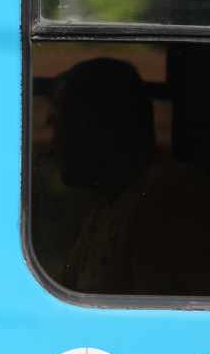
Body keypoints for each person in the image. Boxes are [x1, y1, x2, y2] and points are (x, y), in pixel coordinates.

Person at [47, 58, 210, 295]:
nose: (51, 145)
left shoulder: (169, 195)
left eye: (56, 123)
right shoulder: (112, 203)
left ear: (90, 125)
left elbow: (165, 315)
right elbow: (57, 294)